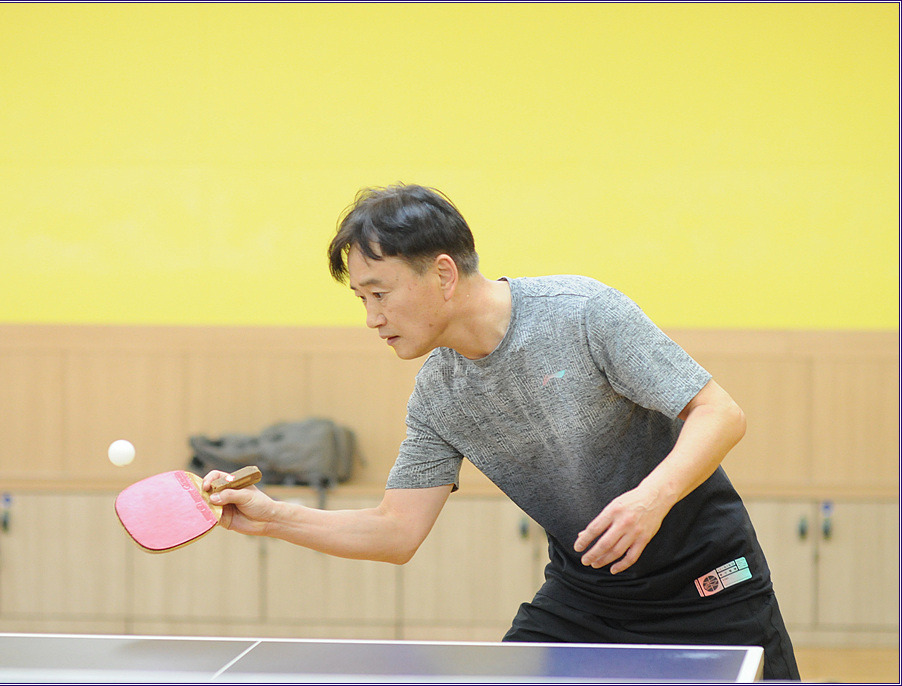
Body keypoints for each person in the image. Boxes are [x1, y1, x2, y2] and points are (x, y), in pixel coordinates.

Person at [202, 184, 800, 680]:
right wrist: (272, 517)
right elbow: (397, 531)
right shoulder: (439, 395)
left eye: (379, 293)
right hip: (587, 599)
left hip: (709, 584)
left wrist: (651, 498)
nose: (372, 318)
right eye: (362, 298)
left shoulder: (581, 312)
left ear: (443, 274)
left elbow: (720, 413)